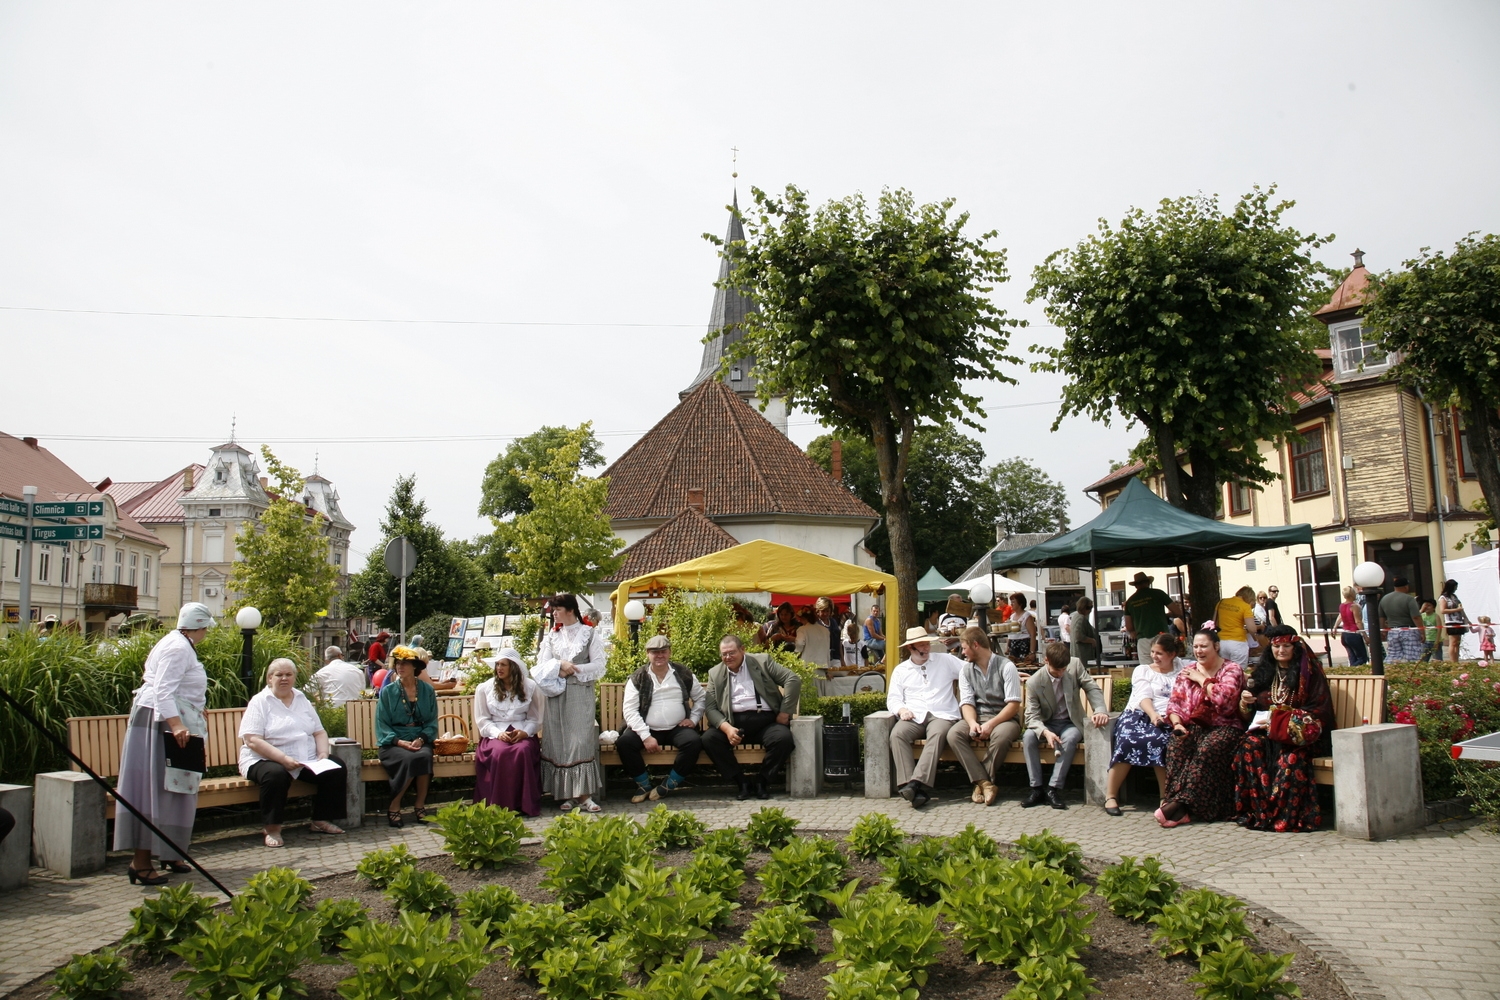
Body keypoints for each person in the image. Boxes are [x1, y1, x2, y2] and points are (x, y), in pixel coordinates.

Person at [113, 602, 215, 885]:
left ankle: (169, 851)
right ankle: (141, 861)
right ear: (201, 626)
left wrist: (193, 708)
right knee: (158, 789)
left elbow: (177, 688)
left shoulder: (178, 644)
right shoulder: (177, 647)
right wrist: (177, 723)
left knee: (177, 788)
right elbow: (163, 689)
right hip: (162, 726)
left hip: (170, 721)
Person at [1232, 625, 1335, 832]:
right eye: (1277, 646)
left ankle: (1285, 816)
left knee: (1290, 759)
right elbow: (1249, 714)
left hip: (1298, 739)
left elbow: (1319, 711)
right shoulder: (1263, 674)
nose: (1281, 650)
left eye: (1286, 645)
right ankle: (1262, 812)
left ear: (1295, 647)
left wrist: (1282, 720)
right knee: (1249, 746)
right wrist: (1245, 702)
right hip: (1268, 735)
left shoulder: (1309, 676)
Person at [239, 658, 347, 848]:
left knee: (336, 767)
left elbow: (319, 731)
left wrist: (322, 752)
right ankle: (272, 828)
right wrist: (283, 759)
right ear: (269, 678)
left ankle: (320, 820)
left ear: (294, 678)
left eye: (288, 674)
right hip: (264, 759)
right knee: (276, 775)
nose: (284, 678)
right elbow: (252, 740)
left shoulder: (301, 699)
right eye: (279, 675)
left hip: (304, 758)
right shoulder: (260, 702)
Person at [1157, 627, 1246, 827]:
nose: (1199, 650)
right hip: (1194, 726)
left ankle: (1179, 806)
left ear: (1216, 646)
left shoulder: (1232, 670)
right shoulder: (1185, 672)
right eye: (1195, 646)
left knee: (1207, 749)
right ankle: (1179, 805)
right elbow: (1175, 703)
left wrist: (1202, 680)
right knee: (1177, 746)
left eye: (1204, 646)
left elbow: (1225, 702)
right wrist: (1178, 725)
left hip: (1226, 726)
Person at [702, 634, 800, 800]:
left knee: (783, 739)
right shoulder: (715, 673)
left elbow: (793, 679)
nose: (727, 657)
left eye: (732, 652)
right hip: (734, 724)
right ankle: (741, 782)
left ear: (742, 650)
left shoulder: (762, 662)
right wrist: (727, 729)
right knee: (709, 739)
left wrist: (784, 713)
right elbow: (710, 708)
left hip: (765, 722)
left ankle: (762, 781)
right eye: (724, 654)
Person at [535, 593, 605, 812]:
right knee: (559, 742)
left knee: (579, 741)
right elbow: (540, 666)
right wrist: (559, 665)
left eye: (557, 609)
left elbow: (599, 666)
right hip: (555, 695)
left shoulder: (589, 634)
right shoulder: (551, 637)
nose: (553, 613)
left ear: (570, 610)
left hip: (579, 693)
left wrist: (573, 669)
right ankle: (567, 794)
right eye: (553, 610)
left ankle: (584, 795)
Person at [618, 634, 706, 803]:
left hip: (677, 727)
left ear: (669, 652)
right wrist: (646, 736)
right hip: (646, 728)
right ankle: (644, 785)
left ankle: (669, 784)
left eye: (663, 651)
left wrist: (693, 719)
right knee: (624, 743)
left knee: (693, 742)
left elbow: (701, 698)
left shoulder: (683, 673)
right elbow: (629, 711)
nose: (659, 655)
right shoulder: (637, 677)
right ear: (647, 654)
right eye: (654, 652)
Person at [1021, 641, 1110, 810]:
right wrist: (1045, 732)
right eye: (1057, 670)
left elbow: (1091, 687)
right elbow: (1031, 717)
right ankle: (1036, 789)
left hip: (1071, 722)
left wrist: (1099, 710)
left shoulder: (1074, 665)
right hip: (1047, 723)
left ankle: (1053, 789)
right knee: (1028, 737)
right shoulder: (1034, 682)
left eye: (1064, 669)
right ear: (1046, 660)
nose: (1062, 673)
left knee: (1069, 738)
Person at [1105, 633, 1185, 816]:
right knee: (1127, 741)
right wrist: (1153, 715)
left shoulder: (1183, 667)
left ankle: (1164, 797)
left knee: (1161, 741)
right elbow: (1143, 696)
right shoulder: (1143, 670)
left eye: (1159, 653)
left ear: (1172, 654)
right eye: (1152, 652)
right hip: (1138, 715)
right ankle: (1110, 795)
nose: (1154, 657)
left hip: (1169, 717)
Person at [887, 626, 966, 809]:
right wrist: (901, 710)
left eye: (927, 644)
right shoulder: (901, 670)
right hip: (914, 715)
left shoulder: (945, 660)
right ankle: (910, 786)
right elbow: (893, 698)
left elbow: (971, 670)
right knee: (897, 734)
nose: (925, 648)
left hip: (942, 713)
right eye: (920, 645)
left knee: (938, 733)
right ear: (910, 648)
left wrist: (1006, 671)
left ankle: (916, 783)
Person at [945, 626, 1022, 806]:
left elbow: (1013, 705)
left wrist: (991, 724)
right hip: (978, 716)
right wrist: (972, 723)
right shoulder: (965, 671)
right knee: (953, 734)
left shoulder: (1006, 666)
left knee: (1001, 737)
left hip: (1004, 718)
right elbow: (967, 703)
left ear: (976, 645)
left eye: (964, 647)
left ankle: (979, 784)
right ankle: (985, 784)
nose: (962, 652)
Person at [472, 647, 543, 816]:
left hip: (522, 731)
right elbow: (483, 720)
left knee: (523, 750)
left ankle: (523, 804)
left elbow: (535, 718)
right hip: (494, 733)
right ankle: (500, 804)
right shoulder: (485, 688)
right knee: (500, 752)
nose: (499, 668)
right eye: (497, 665)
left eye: (503, 665)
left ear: (513, 667)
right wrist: (498, 734)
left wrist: (525, 732)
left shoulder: (530, 687)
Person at [375, 646, 437, 827]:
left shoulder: (426, 690)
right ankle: (394, 805)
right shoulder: (388, 691)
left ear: (415, 667)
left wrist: (422, 739)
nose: (400, 667)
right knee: (409, 758)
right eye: (398, 664)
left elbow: (432, 721)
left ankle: (420, 805)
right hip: (393, 742)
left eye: (405, 664)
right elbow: (381, 723)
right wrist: (399, 741)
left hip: (419, 737)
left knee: (424, 756)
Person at [1123, 572, 1174, 666]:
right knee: (1166, 666)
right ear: (1148, 582)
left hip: (1143, 639)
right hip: (1161, 636)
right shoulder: (1158, 593)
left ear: (1135, 585)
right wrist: (1165, 616)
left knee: (1147, 669)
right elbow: (1177, 611)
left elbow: (1129, 626)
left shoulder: (1130, 601)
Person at [1379, 576, 1425, 662]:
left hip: (1392, 631)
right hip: (1409, 631)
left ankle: (1391, 672)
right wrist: (1422, 631)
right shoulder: (1409, 599)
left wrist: (1384, 630)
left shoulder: (1384, 599)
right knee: (1412, 657)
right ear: (1406, 586)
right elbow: (1416, 617)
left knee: (1393, 656)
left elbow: (1381, 617)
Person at [1214, 586, 1260, 666]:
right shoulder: (1245, 606)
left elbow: (1214, 622)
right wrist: (1256, 639)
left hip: (1221, 642)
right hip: (1238, 643)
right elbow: (1252, 628)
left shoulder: (1221, 602)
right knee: (1238, 672)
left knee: (1223, 671)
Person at [794, 597, 839, 669]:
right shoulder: (815, 625)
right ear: (817, 611)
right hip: (821, 661)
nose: (825, 613)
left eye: (827, 611)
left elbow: (838, 642)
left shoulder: (833, 622)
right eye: (823, 611)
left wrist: (795, 655)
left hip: (833, 658)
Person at [1337, 586, 1369, 667]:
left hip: (1345, 635)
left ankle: (1351, 672)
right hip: (1354, 634)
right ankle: (1351, 670)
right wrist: (1365, 636)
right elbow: (1358, 622)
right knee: (1362, 658)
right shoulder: (1354, 606)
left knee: (1352, 658)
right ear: (1352, 594)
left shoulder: (1341, 606)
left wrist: (1334, 627)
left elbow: (1340, 617)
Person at [1438, 580, 1467, 663]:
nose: (1456, 589)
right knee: (1453, 642)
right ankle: (1452, 661)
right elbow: (1443, 610)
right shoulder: (1443, 598)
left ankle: (1456, 660)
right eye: (1455, 587)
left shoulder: (1454, 596)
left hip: (1459, 621)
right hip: (1451, 621)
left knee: (1458, 642)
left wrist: (1466, 619)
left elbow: (1461, 609)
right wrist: (1456, 609)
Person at [1007, 593, 1038, 663]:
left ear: (1020, 603)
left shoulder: (1026, 616)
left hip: (1023, 643)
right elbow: (1010, 634)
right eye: (1011, 602)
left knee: (1024, 666)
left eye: (1013, 602)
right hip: (1013, 644)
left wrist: (1032, 652)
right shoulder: (1012, 616)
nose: (1011, 604)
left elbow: (1033, 634)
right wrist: (1007, 647)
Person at [1069, 597, 1098, 665]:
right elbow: (1078, 636)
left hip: (1079, 656)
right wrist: (1092, 640)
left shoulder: (1076, 617)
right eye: (1088, 607)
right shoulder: (1080, 618)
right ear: (1083, 607)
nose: (1090, 610)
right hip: (1082, 656)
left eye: (1091, 607)